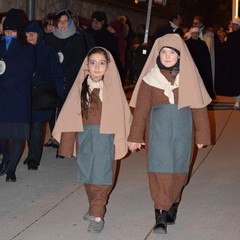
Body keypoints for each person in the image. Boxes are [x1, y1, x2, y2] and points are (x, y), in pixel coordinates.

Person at [127, 34, 211, 234]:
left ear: (180, 56)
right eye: (163, 52)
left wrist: (202, 135)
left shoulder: (189, 78)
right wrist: (134, 136)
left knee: (179, 171)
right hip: (158, 134)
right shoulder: (149, 80)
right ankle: (160, 214)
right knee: (160, 170)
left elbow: (199, 109)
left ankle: (173, 202)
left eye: (171, 52)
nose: (167, 56)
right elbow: (141, 111)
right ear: (157, 54)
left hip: (183, 133)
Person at [52, 47, 132, 233]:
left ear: (108, 66)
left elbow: (123, 116)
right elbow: (71, 116)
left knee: (102, 176)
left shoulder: (112, 90)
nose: (97, 67)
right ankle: (93, 207)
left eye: (101, 63)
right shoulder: (81, 88)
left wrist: (129, 138)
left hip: (106, 139)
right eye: (93, 63)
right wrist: (66, 144)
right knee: (87, 174)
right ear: (87, 66)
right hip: (85, 138)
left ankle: (97, 214)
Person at [44, 9, 95, 150]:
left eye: (65, 21)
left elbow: (78, 62)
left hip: (71, 80)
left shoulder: (78, 39)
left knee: (67, 112)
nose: (62, 24)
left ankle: (66, 141)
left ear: (71, 23)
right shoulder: (49, 38)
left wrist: (69, 80)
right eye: (59, 21)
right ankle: (55, 136)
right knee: (53, 110)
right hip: (53, 80)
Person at [23, 20, 64, 170]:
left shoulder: (48, 51)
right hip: (26, 94)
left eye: (33, 34)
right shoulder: (22, 50)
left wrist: (60, 93)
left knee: (37, 125)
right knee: (28, 126)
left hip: (43, 93)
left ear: (39, 35)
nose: (30, 37)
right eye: (27, 34)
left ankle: (34, 158)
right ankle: (31, 154)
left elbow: (57, 73)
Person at [0, 8, 35, 182]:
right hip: (1, 96)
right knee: (2, 136)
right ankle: (6, 158)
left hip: (18, 96)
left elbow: (27, 70)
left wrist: (8, 83)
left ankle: (11, 169)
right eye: (6, 30)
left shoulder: (27, 47)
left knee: (17, 135)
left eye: (12, 30)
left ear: (19, 31)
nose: (9, 33)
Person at [185, 27, 215, 99]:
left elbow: (206, 58)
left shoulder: (202, 44)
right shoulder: (187, 43)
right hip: (191, 67)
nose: (195, 35)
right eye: (194, 33)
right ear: (191, 34)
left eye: (197, 33)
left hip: (202, 68)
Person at [217, 18, 240, 108]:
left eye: (234, 25)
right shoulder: (230, 36)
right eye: (232, 25)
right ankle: (237, 100)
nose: (233, 26)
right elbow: (227, 49)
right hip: (233, 63)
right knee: (235, 82)